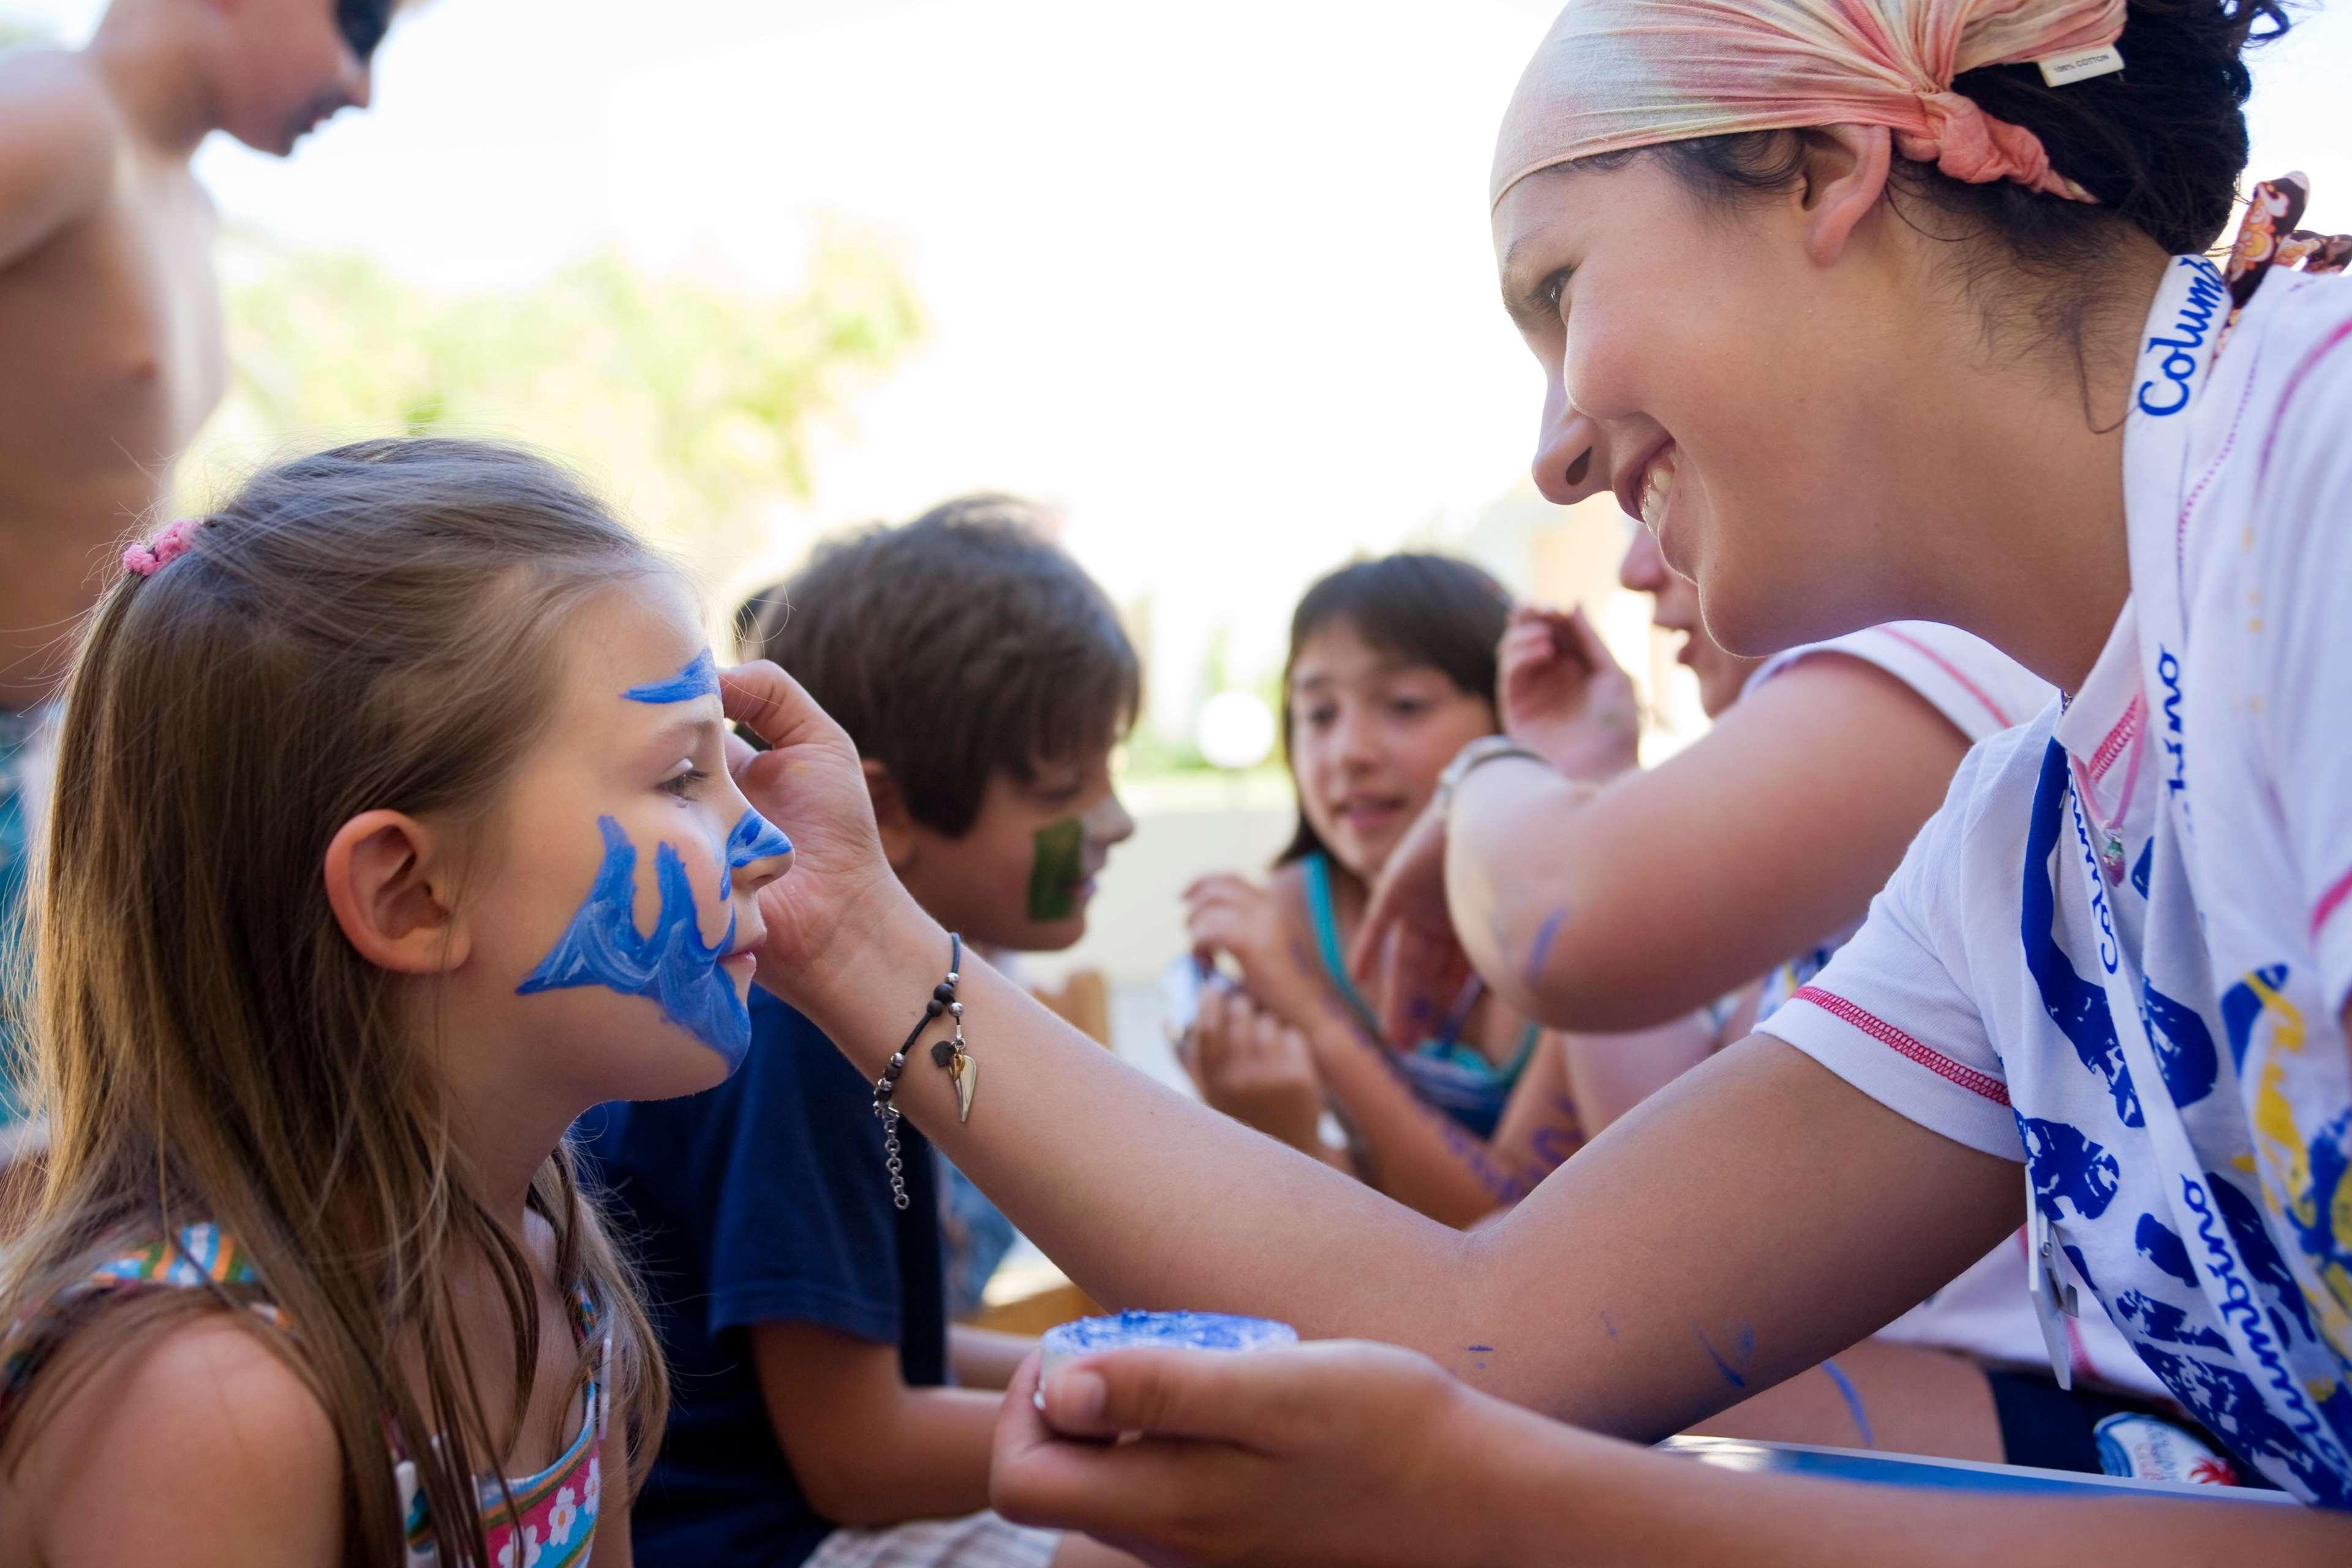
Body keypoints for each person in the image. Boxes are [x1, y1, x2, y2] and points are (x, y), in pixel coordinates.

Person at [709, 0, 2352, 1559]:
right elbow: (1486, 1326)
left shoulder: (2321, 465)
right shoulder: (2027, 844)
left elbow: (1487, 1396)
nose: (1556, 449)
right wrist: (856, 937)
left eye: (1560, 291)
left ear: (1828, 163)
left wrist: (1526, 1517)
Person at [0, 438, 798, 1565]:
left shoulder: (553, 1272)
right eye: (681, 775)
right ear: (412, 893)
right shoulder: (213, 1402)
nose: (768, 842)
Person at [578, 499, 1143, 1568]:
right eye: (1065, 788)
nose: (1114, 822)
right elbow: (861, 1454)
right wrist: (1152, 1428)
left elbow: (892, 1358)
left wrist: (1097, 1368)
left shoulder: (885, 1006)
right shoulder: (811, 1029)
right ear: (881, 811)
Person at [0, 0, 391, 1151]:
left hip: (62, 751)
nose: (362, 86)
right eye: (358, 23)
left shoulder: (181, 194)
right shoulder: (58, 117)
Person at [1180, 554, 1612, 1226]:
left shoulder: (1573, 916)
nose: (1349, 751)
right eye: (1319, 713)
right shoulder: (1294, 912)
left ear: (1513, 716)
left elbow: (1511, 1229)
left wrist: (1314, 1020)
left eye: (1405, 705)